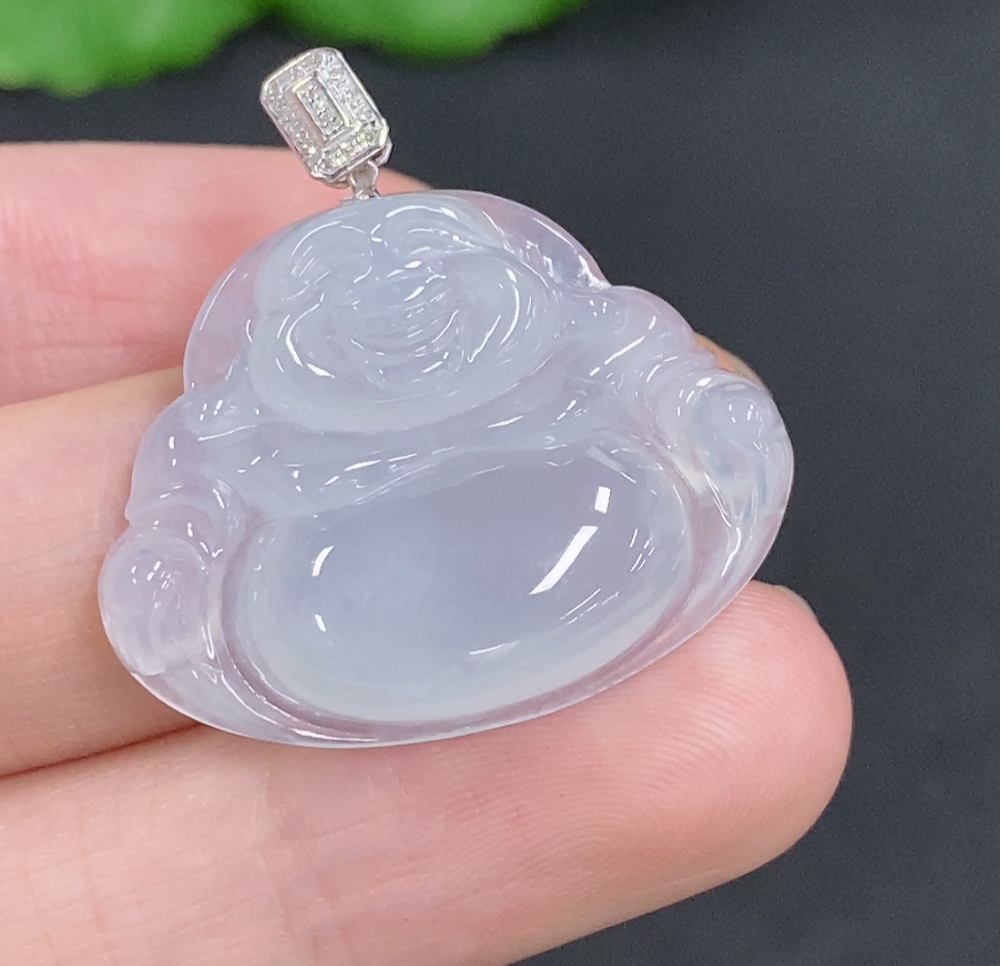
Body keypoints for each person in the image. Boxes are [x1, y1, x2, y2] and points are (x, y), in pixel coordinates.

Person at [0, 143, 852, 965]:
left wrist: (708, 416)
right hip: (330, 610)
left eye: (428, 267)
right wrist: (167, 574)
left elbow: (667, 379)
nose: (394, 301)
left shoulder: (591, 331)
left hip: (602, 529)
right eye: (340, 289)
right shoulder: (235, 420)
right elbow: (185, 513)